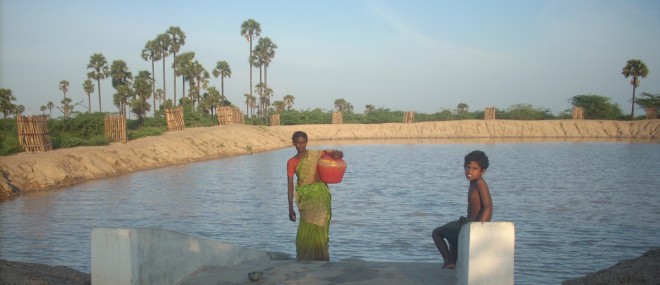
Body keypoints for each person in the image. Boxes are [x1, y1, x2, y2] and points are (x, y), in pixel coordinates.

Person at [287, 131, 343, 261]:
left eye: (303, 142)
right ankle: (305, 258)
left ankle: (321, 258)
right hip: (306, 200)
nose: (300, 145)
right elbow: (289, 186)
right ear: (293, 143)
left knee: (321, 228)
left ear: (307, 142)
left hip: (321, 197)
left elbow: (336, 154)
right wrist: (290, 208)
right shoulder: (292, 162)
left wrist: (338, 154)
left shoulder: (317, 154)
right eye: (297, 143)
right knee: (305, 230)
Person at [432, 150, 492, 269]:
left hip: (472, 223)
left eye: (474, 168)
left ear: (483, 171)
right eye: (467, 167)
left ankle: (448, 261)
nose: (469, 171)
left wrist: (480, 228)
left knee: (436, 233)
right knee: (451, 235)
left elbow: (488, 207)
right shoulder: (473, 182)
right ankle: (453, 263)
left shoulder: (480, 183)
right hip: (467, 221)